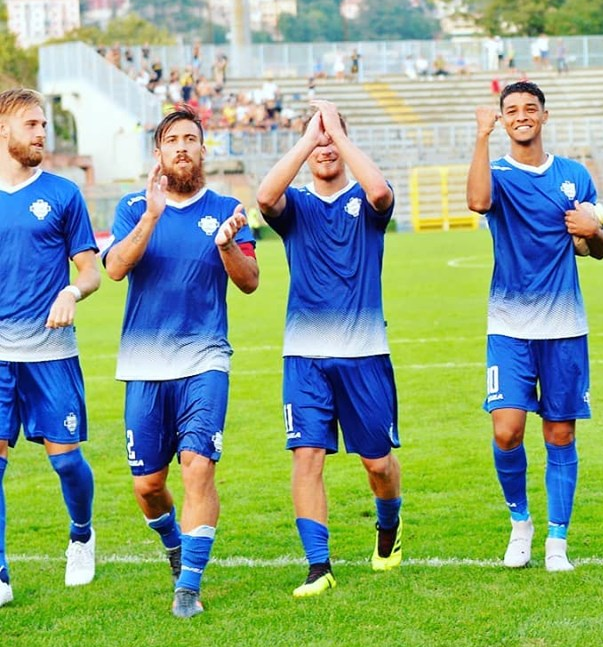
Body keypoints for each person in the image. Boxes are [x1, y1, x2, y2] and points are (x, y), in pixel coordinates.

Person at [102, 106, 259, 618]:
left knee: (198, 466)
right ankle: (174, 545)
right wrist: (152, 216)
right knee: (149, 487)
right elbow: (115, 269)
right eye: (172, 140)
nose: (182, 148)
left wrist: (227, 246)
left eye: (190, 139)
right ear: (159, 152)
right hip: (145, 366)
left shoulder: (227, 208)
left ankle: (188, 588)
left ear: (203, 149)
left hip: (204, 360)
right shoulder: (133, 207)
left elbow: (250, 281)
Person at [255, 101, 402, 596]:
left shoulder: (367, 197)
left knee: (377, 464)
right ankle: (319, 567)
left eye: (332, 139)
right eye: (315, 140)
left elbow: (379, 192)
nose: (324, 147)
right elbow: (264, 196)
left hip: (364, 353)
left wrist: (337, 132)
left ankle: (389, 524)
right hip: (305, 357)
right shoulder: (295, 206)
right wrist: (309, 138)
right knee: (307, 456)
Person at [467, 81, 603, 572]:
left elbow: (598, 246)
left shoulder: (573, 175)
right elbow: (477, 202)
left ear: (545, 116)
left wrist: (595, 232)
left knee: (561, 434)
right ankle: (520, 524)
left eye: (530, 108)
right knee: (507, 431)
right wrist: (481, 136)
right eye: (511, 110)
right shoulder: (497, 173)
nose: (522, 115)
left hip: (564, 325)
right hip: (509, 325)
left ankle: (557, 541)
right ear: (502, 119)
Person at [0, 88, 101, 607]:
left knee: (65, 463)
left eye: (43, 125)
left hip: (51, 352)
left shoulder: (63, 194)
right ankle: (0, 572)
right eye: (32, 125)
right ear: (3, 130)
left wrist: (71, 291)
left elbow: (90, 270)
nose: (42, 133)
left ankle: (81, 535)